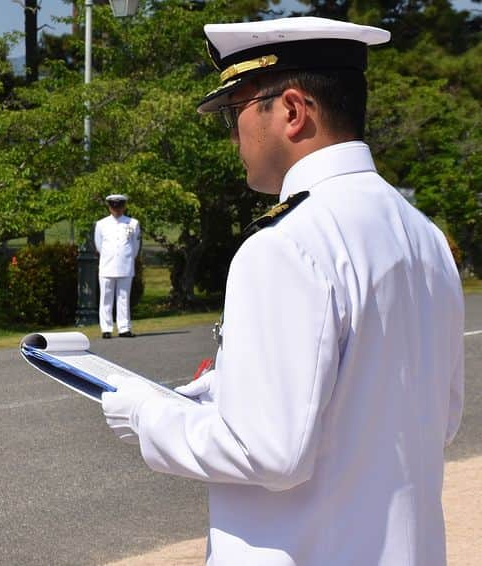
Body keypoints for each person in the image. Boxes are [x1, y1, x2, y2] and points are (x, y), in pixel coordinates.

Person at [100, 17, 464, 565]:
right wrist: (237, 389)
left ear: (292, 111)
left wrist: (145, 414)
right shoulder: (423, 235)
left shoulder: (288, 243)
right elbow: (438, 416)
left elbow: (270, 452)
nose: (232, 135)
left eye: (234, 112)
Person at [94, 194, 141, 339]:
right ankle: (106, 328)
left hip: (125, 265)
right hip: (107, 266)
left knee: (123, 298)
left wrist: (125, 258)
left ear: (124, 206)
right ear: (109, 207)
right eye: (114, 207)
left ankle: (124, 328)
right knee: (106, 298)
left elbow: (135, 246)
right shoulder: (101, 224)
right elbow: (99, 245)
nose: (117, 210)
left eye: (119, 206)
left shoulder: (132, 223)